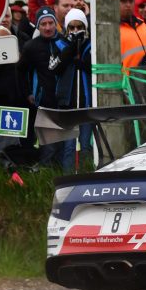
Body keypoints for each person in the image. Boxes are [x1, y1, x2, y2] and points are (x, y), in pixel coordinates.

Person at [50, 9, 93, 171]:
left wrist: (81, 52)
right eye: (72, 27)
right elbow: (54, 68)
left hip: (86, 104)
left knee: (85, 145)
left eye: (79, 27)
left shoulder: (90, 45)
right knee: (68, 146)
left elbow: (92, 67)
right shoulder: (59, 44)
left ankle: (86, 175)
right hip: (67, 105)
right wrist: (70, 48)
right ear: (67, 28)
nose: (75, 31)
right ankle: (68, 179)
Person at [21, 6, 63, 165]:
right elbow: (21, 72)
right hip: (44, 102)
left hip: (64, 102)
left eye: (50, 23)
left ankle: (62, 174)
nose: (47, 27)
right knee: (49, 146)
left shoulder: (63, 42)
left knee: (63, 144)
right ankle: (46, 177)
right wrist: (27, 93)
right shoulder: (31, 46)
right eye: (43, 24)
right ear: (38, 26)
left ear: (56, 23)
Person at [118, 0, 146, 71]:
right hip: (126, 80)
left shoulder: (143, 25)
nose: (128, 4)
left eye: (131, 1)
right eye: (124, 1)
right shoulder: (113, 30)